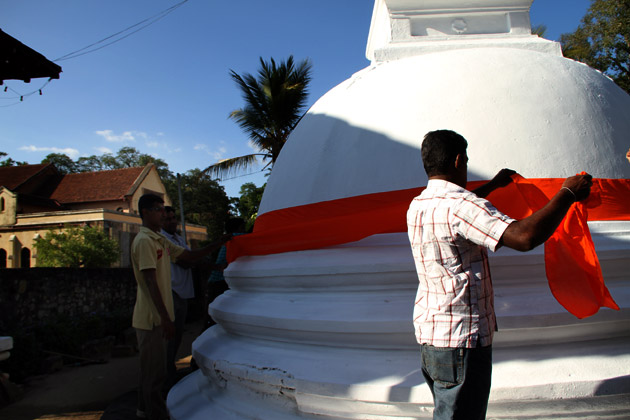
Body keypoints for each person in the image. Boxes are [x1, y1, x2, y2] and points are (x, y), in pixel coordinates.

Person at [406, 130, 592, 420]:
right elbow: (524, 237)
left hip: (432, 337)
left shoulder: (418, 205)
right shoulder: (463, 207)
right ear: (458, 161)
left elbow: (456, 214)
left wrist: (492, 186)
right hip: (462, 343)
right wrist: (567, 194)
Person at [131, 194, 230, 420]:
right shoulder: (145, 241)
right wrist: (166, 318)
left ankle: (142, 410)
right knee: (154, 375)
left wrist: (217, 243)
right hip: (151, 319)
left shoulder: (159, 239)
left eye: (163, 210)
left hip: (159, 316)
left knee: (152, 370)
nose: (163, 214)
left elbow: (189, 255)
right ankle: (154, 414)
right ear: (145, 212)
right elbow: (150, 281)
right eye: (158, 209)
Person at [161, 206, 194, 389]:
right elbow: (186, 261)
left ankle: (170, 369)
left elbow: (190, 259)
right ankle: (166, 375)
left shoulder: (179, 239)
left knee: (178, 335)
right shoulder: (162, 240)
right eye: (168, 219)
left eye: (174, 218)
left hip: (182, 292)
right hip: (172, 292)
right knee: (170, 338)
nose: (172, 221)